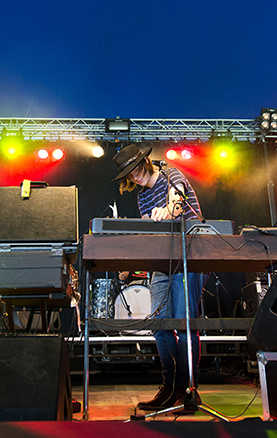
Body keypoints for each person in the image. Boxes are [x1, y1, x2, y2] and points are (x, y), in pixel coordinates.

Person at [112, 143, 205, 411]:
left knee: (185, 322)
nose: (135, 176)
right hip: (162, 262)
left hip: (189, 256)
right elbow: (151, 235)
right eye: (128, 174)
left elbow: (176, 205)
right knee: (158, 322)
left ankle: (190, 388)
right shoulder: (142, 197)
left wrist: (168, 210)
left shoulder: (171, 175)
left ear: (145, 162)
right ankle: (171, 385)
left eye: (135, 169)